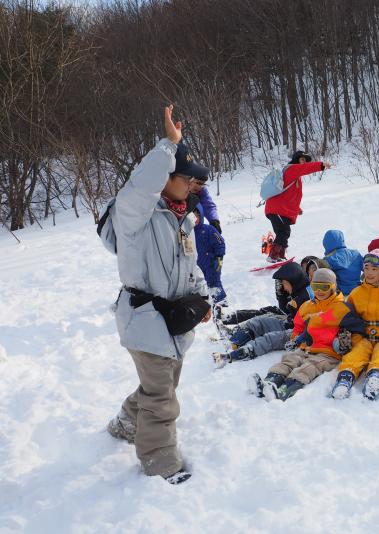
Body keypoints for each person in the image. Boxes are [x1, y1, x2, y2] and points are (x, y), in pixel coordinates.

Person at [104, 105, 211, 485]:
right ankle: (160, 462)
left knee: (161, 385)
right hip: (146, 320)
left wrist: (202, 296)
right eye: (187, 178)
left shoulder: (182, 216)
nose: (194, 185)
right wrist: (169, 145)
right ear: (166, 178)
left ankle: (125, 421)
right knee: (162, 398)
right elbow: (141, 184)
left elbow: (190, 264)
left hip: (174, 322)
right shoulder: (135, 215)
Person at [247, 268, 365, 401]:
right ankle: (269, 382)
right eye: (315, 286)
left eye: (324, 287)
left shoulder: (342, 308)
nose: (319, 291)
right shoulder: (307, 306)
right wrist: (296, 338)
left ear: (333, 287)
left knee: (309, 367)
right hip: (306, 347)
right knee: (290, 359)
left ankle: (284, 390)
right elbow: (298, 326)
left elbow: (358, 331)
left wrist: (346, 344)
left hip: (328, 352)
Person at [330, 249, 379, 400]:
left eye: (374, 269)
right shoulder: (357, 293)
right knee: (357, 353)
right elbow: (348, 317)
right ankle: (346, 376)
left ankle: (376, 375)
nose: (369, 273)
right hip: (363, 336)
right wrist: (347, 335)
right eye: (366, 268)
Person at [213, 261, 312, 366]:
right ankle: (233, 341)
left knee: (268, 339)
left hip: (299, 335)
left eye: (284, 283)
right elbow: (287, 311)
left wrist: (296, 337)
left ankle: (235, 355)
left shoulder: (307, 297)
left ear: (293, 281)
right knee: (260, 322)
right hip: (292, 325)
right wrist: (281, 295)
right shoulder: (298, 291)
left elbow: (309, 325)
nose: (283, 287)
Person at [264, 150, 332, 261]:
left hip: (280, 209)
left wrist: (297, 209)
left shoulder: (295, 176)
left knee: (285, 232)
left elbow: (291, 196)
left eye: (305, 160)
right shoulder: (292, 169)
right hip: (277, 209)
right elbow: (306, 168)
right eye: (302, 159)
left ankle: (280, 255)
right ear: (296, 159)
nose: (304, 162)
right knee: (283, 232)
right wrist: (321, 165)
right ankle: (273, 255)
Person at [193, 204, 226, 304]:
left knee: (214, 283)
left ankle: (221, 305)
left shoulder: (208, 229)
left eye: (196, 216)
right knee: (200, 286)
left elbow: (220, 242)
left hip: (212, 262)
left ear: (201, 216)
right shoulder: (187, 232)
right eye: (191, 216)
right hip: (197, 265)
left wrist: (219, 257)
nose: (194, 219)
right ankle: (206, 305)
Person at [322, 229, 363, 296]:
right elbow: (367, 268)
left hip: (340, 295)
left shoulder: (328, 259)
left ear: (325, 243)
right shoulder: (356, 254)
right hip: (358, 292)